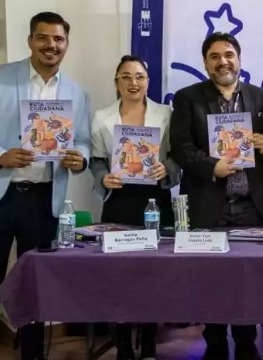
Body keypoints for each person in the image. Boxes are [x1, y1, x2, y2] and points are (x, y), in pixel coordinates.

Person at [169, 32, 263, 360]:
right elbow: (180, 148)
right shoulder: (188, 98)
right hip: (208, 205)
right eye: (215, 56)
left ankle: (246, 343)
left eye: (229, 55)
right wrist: (212, 167)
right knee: (209, 279)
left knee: (249, 279)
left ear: (239, 59)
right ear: (206, 63)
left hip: (252, 206)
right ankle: (215, 344)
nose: (223, 62)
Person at [0, 12, 91, 360]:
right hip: (3, 195)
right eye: (43, 37)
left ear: (66, 44)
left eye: (58, 39)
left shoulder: (76, 94)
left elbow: (82, 141)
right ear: (30, 41)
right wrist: (1, 156)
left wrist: (80, 158)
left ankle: (33, 354)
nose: (51, 45)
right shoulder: (3, 77)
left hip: (43, 200)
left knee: (35, 284)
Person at [90, 55, 180, 360]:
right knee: (117, 275)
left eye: (139, 76)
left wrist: (167, 169)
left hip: (156, 201)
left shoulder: (166, 113)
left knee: (154, 274)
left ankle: (150, 343)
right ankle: (124, 347)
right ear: (116, 82)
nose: (133, 82)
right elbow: (97, 159)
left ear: (148, 82)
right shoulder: (101, 116)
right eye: (125, 77)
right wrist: (103, 176)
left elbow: (177, 156)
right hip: (119, 201)